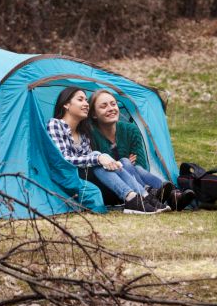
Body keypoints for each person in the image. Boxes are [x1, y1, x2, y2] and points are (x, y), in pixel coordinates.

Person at [47, 86, 170, 214]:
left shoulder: (83, 133)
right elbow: (63, 159)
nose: (86, 104)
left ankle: (143, 197)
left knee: (117, 161)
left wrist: (103, 160)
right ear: (66, 104)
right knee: (98, 157)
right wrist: (98, 158)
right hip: (68, 178)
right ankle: (134, 197)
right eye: (80, 99)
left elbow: (88, 162)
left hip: (87, 177)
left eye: (86, 100)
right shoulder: (55, 124)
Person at [88, 89, 196, 211]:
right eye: (104, 106)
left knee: (134, 166)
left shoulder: (131, 130)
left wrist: (123, 164)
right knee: (125, 162)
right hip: (111, 187)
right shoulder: (90, 135)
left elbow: (141, 164)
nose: (111, 108)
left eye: (113, 104)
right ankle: (169, 196)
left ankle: (164, 195)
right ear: (94, 114)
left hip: (134, 183)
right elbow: (95, 168)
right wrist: (123, 164)